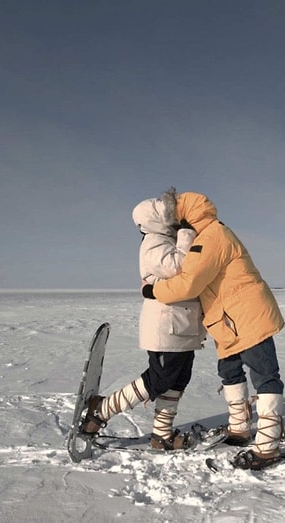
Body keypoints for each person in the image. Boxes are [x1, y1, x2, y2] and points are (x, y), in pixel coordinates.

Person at [142, 191, 285, 470]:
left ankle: (268, 445)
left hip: (247, 315)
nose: (174, 225)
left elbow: (189, 283)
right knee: (229, 372)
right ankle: (240, 429)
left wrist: (153, 290)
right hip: (226, 321)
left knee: (265, 374)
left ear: (186, 215)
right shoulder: (205, 236)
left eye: (176, 218)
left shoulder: (213, 236)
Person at [81, 188, 206, 450]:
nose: (175, 219)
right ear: (155, 220)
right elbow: (180, 267)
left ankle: (161, 435)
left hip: (183, 326)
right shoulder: (153, 243)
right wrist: (186, 234)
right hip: (166, 327)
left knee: (179, 379)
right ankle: (100, 410)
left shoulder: (166, 240)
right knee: (159, 380)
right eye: (169, 215)